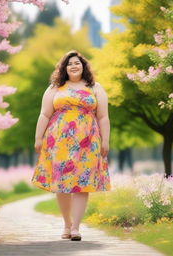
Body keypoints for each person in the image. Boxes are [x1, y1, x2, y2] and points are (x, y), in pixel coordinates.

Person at [31, 50, 111, 241]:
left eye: (77, 63)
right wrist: (38, 138)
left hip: (88, 141)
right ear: (64, 68)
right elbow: (44, 114)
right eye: (70, 64)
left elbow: (103, 116)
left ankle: (75, 228)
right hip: (59, 141)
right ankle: (66, 224)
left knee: (82, 184)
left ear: (83, 66)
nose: (74, 66)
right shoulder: (55, 88)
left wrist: (105, 140)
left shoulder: (95, 87)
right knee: (61, 184)